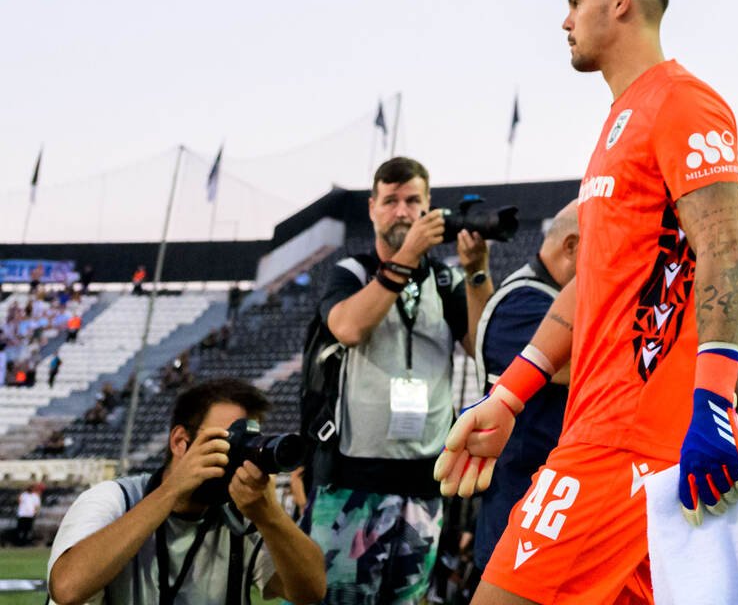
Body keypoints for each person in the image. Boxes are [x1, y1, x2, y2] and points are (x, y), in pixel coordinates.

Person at [435, 0, 738, 605]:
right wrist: (509, 397)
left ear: (621, 1)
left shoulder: (685, 103)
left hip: (629, 441)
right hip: (602, 431)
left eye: (574, 2)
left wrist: (714, 404)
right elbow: (596, 287)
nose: (564, 21)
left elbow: (724, 251)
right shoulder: (616, 123)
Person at [310, 156, 493, 605]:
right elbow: (348, 327)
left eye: (413, 201)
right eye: (390, 201)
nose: (402, 211)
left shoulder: (445, 278)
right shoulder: (351, 272)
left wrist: (476, 272)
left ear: (429, 207)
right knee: (337, 599)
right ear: (372, 208)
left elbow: (484, 345)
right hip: (353, 481)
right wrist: (407, 256)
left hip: (423, 483)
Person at [46, 378, 325, 605]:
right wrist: (171, 492)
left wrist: (270, 517)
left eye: (248, 443)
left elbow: (310, 592)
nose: (238, 456)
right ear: (180, 442)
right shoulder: (114, 499)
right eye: (228, 441)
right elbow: (68, 589)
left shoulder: (243, 516)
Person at [470, 201, 581, 572]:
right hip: (518, 502)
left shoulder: (538, 297)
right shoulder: (521, 302)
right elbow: (586, 363)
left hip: (545, 498)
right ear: (571, 246)